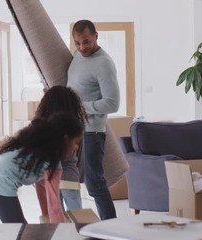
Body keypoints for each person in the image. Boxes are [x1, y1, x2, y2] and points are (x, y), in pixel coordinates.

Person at [0, 111, 84, 223]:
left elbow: (42, 189)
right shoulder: (52, 162)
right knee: (19, 229)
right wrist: (60, 229)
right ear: (65, 139)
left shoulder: (38, 150)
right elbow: (53, 202)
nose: (76, 147)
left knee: (18, 227)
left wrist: (45, 216)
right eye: (76, 142)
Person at [67, 19, 120, 220]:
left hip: (92, 131)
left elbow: (112, 103)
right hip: (73, 129)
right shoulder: (76, 55)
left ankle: (111, 228)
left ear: (96, 36)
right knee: (67, 180)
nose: (82, 47)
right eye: (78, 43)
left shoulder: (104, 63)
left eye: (87, 42)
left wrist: (80, 107)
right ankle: (76, 225)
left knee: (94, 183)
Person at [34, 86, 87, 219]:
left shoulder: (41, 124)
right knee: (78, 215)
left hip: (49, 176)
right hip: (69, 175)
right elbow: (80, 152)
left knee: (56, 216)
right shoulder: (75, 124)